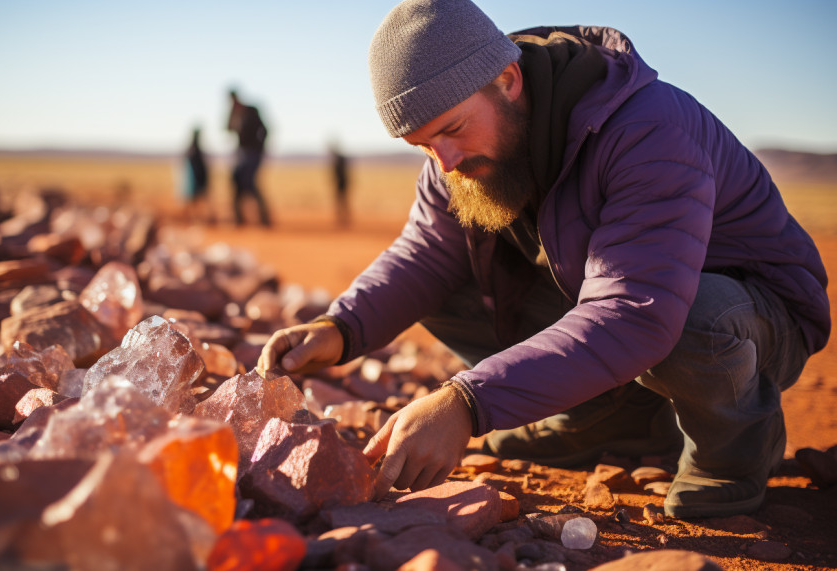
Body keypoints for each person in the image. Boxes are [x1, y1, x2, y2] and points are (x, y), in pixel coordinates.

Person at [258, 0, 830, 519]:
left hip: (751, 316)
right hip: (627, 303)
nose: (445, 161)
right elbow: (425, 253)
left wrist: (468, 402)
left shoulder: (648, 128)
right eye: (424, 145)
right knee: (444, 289)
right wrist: (339, 326)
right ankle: (610, 419)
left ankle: (732, 452)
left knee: (690, 319)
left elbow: (636, 311)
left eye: (452, 131)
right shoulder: (461, 149)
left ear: (507, 80)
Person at [226, 88, 272, 226]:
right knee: (236, 181)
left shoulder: (251, 111)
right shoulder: (234, 113)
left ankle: (264, 218)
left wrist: (259, 148)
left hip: (252, 153)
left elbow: (265, 130)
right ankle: (239, 219)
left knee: (250, 183)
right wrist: (231, 114)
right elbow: (228, 128)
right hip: (241, 153)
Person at [182, 127, 215, 224]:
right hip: (195, 180)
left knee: (195, 201)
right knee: (193, 200)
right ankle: (193, 219)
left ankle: (197, 218)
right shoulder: (194, 150)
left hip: (197, 179)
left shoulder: (192, 149)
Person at [329, 141, 351, 228]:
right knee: (341, 201)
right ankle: (342, 219)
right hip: (341, 183)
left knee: (341, 201)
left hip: (342, 183)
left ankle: (344, 219)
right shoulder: (339, 158)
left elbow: (341, 173)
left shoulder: (338, 159)